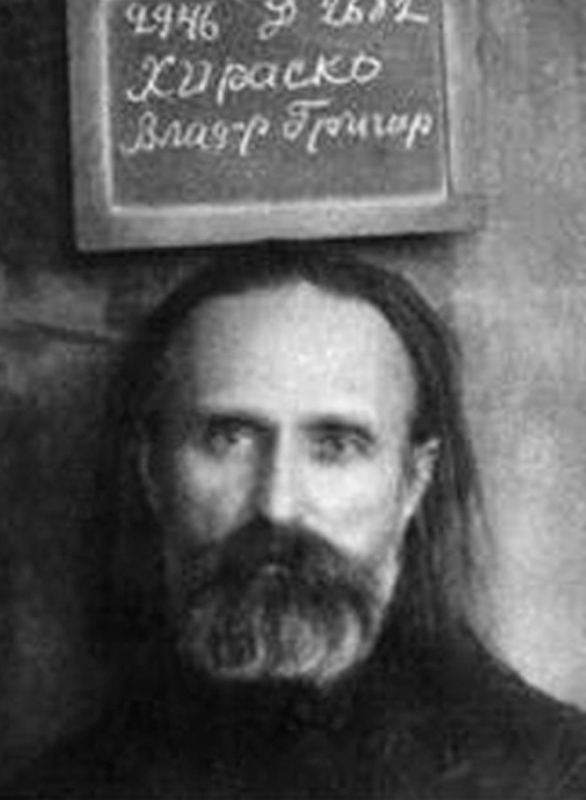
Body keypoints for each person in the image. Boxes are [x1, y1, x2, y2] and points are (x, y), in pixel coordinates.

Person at [4, 245, 586, 799]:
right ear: (153, 470)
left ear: (413, 481)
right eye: (228, 438)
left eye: (335, 445)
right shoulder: (61, 788)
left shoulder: (555, 776)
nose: (277, 504)